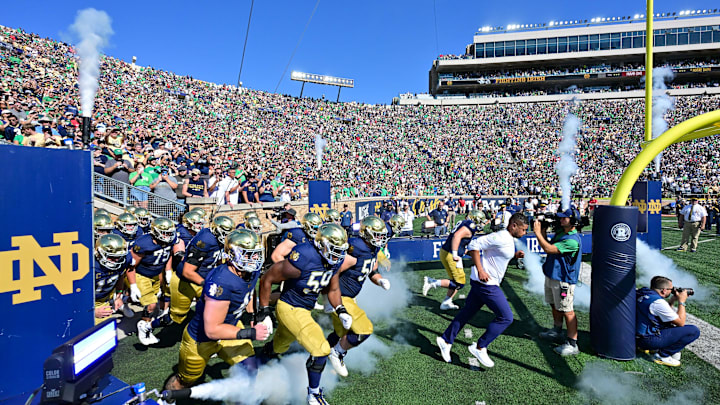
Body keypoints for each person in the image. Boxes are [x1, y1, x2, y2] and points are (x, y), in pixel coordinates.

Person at [257, 223, 351, 405]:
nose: (337, 255)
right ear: (321, 244)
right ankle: (314, 394)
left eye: (340, 251)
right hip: (290, 307)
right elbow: (267, 278)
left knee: (280, 346)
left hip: (304, 308)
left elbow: (333, 288)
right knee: (321, 349)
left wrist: (341, 309)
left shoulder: (334, 259)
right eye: (334, 249)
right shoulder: (305, 256)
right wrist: (264, 312)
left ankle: (254, 363)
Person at [165, 229, 269, 391]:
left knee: (250, 369)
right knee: (185, 381)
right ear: (232, 255)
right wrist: (250, 333)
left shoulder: (251, 271)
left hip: (231, 328)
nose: (255, 259)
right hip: (201, 339)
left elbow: (250, 289)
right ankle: (167, 399)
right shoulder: (221, 281)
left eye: (256, 253)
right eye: (249, 254)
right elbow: (212, 330)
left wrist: (255, 313)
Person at [435, 213, 528, 367]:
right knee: (506, 318)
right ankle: (480, 347)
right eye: (523, 230)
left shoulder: (508, 240)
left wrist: (514, 255)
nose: (524, 233)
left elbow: (495, 255)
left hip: (481, 283)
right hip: (486, 284)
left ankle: (445, 340)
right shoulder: (501, 237)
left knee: (467, 313)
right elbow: (473, 246)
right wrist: (480, 270)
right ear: (514, 226)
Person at [326, 216, 392, 378]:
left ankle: (319, 357)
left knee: (341, 333)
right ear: (366, 233)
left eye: (381, 235)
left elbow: (372, 270)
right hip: (341, 297)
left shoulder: (372, 249)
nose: (380, 239)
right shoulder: (356, 248)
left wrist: (380, 280)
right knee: (363, 329)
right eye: (377, 235)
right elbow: (333, 271)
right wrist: (332, 296)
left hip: (348, 297)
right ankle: (337, 353)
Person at [169, 216, 235, 325]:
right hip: (186, 281)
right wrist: (207, 284)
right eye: (224, 233)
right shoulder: (205, 241)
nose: (227, 237)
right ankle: (148, 325)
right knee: (176, 318)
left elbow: (218, 259)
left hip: (203, 278)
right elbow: (188, 271)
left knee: (216, 309)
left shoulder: (217, 239)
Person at [535, 206, 583, 356]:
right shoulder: (562, 232)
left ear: (573, 220)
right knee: (554, 304)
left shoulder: (572, 241)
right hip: (553, 274)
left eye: (564, 217)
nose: (561, 219)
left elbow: (549, 249)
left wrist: (537, 233)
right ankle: (556, 330)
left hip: (564, 279)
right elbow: (547, 244)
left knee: (567, 310)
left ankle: (572, 343)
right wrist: (542, 229)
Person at [127, 217, 177, 345]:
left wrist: (168, 270)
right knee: (151, 304)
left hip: (156, 274)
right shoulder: (144, 243)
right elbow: (131, 266)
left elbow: (169, 253)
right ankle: (143, 328)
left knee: (153, 304)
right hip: (141, 275)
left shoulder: (170, 239)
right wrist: (133, 285)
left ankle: (147, 327)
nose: (168, 236)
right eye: (165, 233)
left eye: (170, 233)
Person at [423, 210, 485, 310]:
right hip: (451, 254)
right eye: (480, 221)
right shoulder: (470, 226)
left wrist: (463, 251)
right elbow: (457, 236)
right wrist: (455, 253)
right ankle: (432, 282)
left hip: (447, 251)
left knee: (456, 281)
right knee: (460, 283)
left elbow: (459, 240)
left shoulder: (464, 222)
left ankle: (446, 302)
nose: (481, 223)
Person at [636, 276, 700, 367]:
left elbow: (666, 316)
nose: (672, 291)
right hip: (647, 340)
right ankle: (662, 355)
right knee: (693, 331)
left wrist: (672, 300)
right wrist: (682, 302)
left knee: (667, 324)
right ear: (664, 290)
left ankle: (654, 348)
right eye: (671, 289)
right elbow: (680, 322)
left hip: (637, 336)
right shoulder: (658, 303)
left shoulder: (644, 294)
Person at [93, 234, 134, 324]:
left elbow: (120, 276)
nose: (116, 261)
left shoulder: (123, 260)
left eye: (118, 257)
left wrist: (118, 296)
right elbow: (73, 296)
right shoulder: (89, 265)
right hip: (86, 302)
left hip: (104, 299)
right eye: (111, 257)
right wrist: (91, 312)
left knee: (104, 330)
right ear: (99, 253)